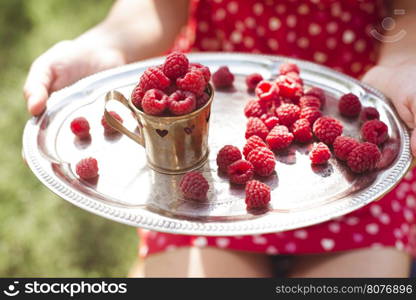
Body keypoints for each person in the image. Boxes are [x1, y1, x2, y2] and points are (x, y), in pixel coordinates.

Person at [24, 0, 416, 277]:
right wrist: (107, 44)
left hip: (346, 145)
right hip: (210, 158)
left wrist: (402, 63)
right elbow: (159, 6)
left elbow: (406, 10)